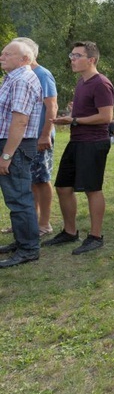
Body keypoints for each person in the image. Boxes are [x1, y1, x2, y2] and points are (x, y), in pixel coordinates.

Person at [46, 41, 114, 255]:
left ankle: (95, 236)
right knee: (63, 187)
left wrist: (73, 119)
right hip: (77, 141)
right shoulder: (82, 82)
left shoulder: (101, 83)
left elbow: (106, 117)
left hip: (93, 143)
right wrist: (71, 120)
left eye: (77, 56)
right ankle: (69, 232)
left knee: (92, 189)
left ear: (91, 60)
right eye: (72, 55)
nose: (72, 59)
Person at [0, 40, 42, 268]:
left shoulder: (22, 80)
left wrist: (6, 155)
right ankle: (22, 242)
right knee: (15, 197)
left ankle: (28, 249)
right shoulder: (15, 78)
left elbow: (20, 121)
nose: (1, 57)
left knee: (19, 198)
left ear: (24, 59)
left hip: (14, 146)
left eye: (8, 54)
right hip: (12, 145)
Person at [12, 37, 58, 238]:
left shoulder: (42, 74)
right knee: (28, 180)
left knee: (41, 179)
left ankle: (45, 223)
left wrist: (45, 134)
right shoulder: (22, 74)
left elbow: (52, 106)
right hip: (25, 138)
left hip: (40, 137)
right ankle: (31, 221)